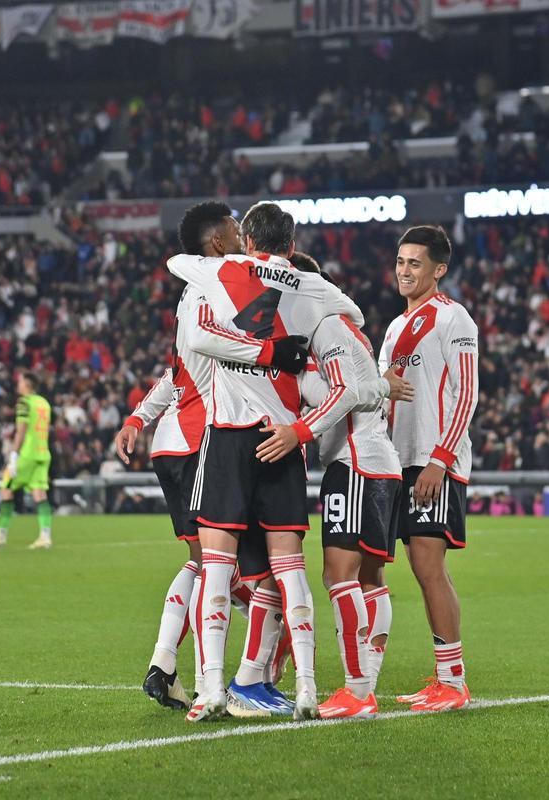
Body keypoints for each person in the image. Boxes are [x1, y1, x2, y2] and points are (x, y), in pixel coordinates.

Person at [167, 201, 364, 722]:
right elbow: (355, 314)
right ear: (293, 243)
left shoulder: (221, 273)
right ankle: (305, 688)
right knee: (290, 569)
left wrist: (254, 332)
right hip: (282, 441)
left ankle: (211, 690)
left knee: (215, 566)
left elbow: (181, 282)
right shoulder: (310, 286)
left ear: (247, 239)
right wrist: (291, 326)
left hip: (228, 436)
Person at [115, 201, 308, 713]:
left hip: (180, 438)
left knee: (209, 563)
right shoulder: (212, 291)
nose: (241, 230)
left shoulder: (203, 290)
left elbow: (176, 371)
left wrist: (138, 418)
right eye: (232, 224)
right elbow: (210, 356)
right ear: (219, 242)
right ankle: (222, 681)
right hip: (207, 439)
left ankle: (173, 667)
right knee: (224, 563)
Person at [259, 252, 414, 719]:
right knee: (370, 578)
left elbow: (344, 392)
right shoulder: (342, 330)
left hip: (356, 464)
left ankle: (357, 690)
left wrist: (299, 432)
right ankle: (363, 683)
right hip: (372, 462)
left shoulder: (328, 327)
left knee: (338, 577)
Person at [379, 225, 479, 713]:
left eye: (414, 263)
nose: (403, 270)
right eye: (400, 261)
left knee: (427, 565)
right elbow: (380, 387)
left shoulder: (454, 318)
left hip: (432, 460)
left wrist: (440, 460)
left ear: (438, 270)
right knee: (409, 568)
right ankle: (443, 676)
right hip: (395, 460)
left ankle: (453, 682)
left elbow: (466, 393)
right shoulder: (396, 327)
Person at [0, 372, 55, 549]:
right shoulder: (44, 402)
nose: (17, 384)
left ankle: (0, 535)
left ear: (27, 384)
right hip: (43, 453)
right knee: (39, 494)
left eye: (19, 381)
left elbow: (21, 431)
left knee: (5, 487)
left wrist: (13, 456)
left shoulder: (24, 402)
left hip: (27, 454)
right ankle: (45, 537)